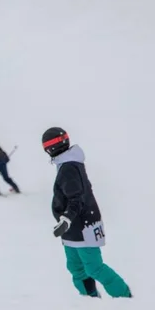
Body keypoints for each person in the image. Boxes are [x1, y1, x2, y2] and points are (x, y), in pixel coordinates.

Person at [42, 127, 132, 298]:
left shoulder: (69, 167)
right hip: (73, 227)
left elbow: (77, 198)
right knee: (76, 267)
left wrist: (66, 219)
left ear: (49, 149)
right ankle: (90, 300)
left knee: (93, 267)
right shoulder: (67, 164)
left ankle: (124, 297)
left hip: (83, 225)